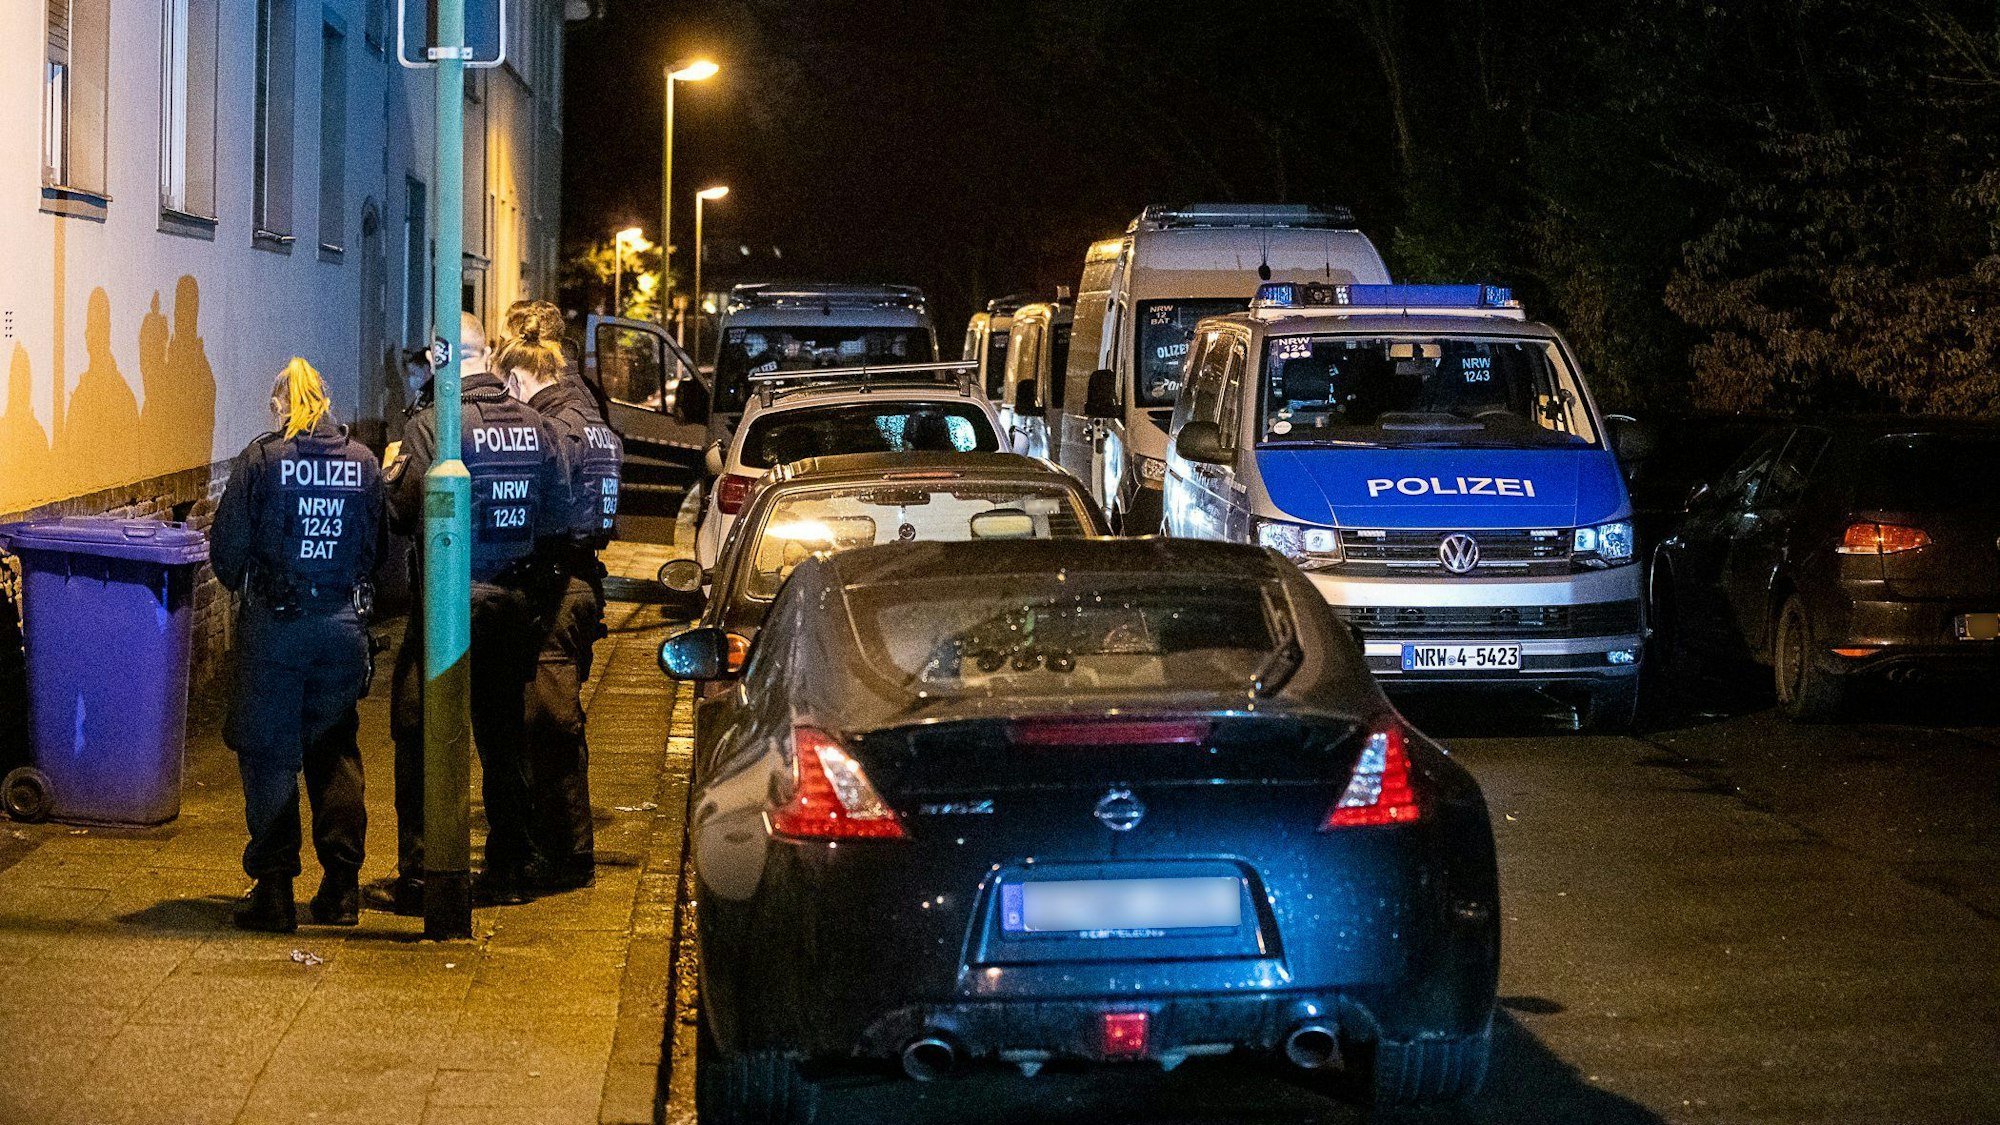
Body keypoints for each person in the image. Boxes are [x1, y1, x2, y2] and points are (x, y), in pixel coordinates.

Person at [382, 312, 570, 912]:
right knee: (503, 733)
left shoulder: (432, 426)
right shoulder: (538, 426)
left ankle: (422, 871)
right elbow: (558, 513)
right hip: (514, 601)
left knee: (416, 727)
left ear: (440, 358)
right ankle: (509, 864)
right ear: (487, 355)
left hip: (449, 601)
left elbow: (403, 514)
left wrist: (391, 478)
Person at [210, 358, 382, 932]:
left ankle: (276, 889)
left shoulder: (260, 461)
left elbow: (228, 553)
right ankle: (342, 889)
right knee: (334, 752)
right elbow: (377, 552)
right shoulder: (362, 462)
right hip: (340, 627)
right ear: (326, 403)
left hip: (276, 628)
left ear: (280, 405)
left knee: (268, 753)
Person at [494, 302, 623, 889]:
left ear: (522, 375)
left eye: (508, 386)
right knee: (549, 722)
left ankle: (566, 857)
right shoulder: (589, 412)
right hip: (579, 578)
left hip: (555, 583)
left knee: (547, 723)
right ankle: (557, 849)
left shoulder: (555, 428)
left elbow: (544, 512)